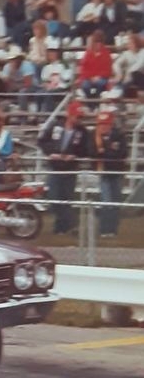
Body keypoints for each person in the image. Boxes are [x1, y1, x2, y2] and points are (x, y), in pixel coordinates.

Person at [38, 101, 89, 235]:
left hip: (70, 168)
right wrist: (51, 153)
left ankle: (62, 227)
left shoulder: (82, 131)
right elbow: (42, 141)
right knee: (54, 197)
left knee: (66, 198)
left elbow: (86, 149)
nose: (79, 119)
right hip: (55, 167)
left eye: (80, 117)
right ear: (70, 115)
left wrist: (74, 155)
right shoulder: (56, 125)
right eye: (77, 116)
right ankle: (70, 223)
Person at [91, 110, 127, 238]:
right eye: (101, 124)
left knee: (115, 202)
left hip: (116, 173)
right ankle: (104, 229)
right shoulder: (95, 136)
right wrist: (106, 152)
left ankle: (113, 229)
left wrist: (104, 152)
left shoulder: (119, 135)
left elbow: (122, 153)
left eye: (105, 124)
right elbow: (92, 152)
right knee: (106, 201)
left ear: (111, 124)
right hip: (104, 173)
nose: (103, 126)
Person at [78, 30, 113, 102]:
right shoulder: (88, 54)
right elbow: (83, 68)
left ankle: (97, 101)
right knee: (85, 86)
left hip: (101, 78)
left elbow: (108, 70)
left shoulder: (106, 53)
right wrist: (91, 77)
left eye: (100, 42)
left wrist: (99, 76)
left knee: (101, 84)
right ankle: (91, 101)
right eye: (96, 42)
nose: (98, 44)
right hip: (88, 78)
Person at [1, 46, 38, 112]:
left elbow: (28, 84)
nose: (14, 61)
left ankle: (23, 114)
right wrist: (12, 72)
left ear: (20, 58)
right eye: (12, 59)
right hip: (16, 87)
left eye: (15, 58)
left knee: (22, 92)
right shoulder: (7, 67)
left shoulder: (27, 65)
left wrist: (15, 85)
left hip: (32, 87)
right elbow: (6, 83)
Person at [40, 38, 73, 112]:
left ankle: (49, 114)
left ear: (58, 53)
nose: (50, 54)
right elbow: (44, 80)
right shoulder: (46, 66)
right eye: (49, 52)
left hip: (61, 88)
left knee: (49, 94)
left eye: (53, 52)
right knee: (38, 93)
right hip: (49, 88)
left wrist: (56, 85)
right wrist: (47, 85)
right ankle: (38, 114)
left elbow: (67, 81)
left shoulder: (64, 65)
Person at [113, 32, 144, 96]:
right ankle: (116, 93)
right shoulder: (126, 53)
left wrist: (129, 73)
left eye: (131, 43)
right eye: (128, 43)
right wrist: (119, 73)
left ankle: (117, 93)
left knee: (135, 74)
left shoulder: (142, 52)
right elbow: (116, 64)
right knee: (120, 80)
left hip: (140, 76)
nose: (129, 45)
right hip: (127, 78)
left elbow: (139, 65)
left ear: (136, 43)